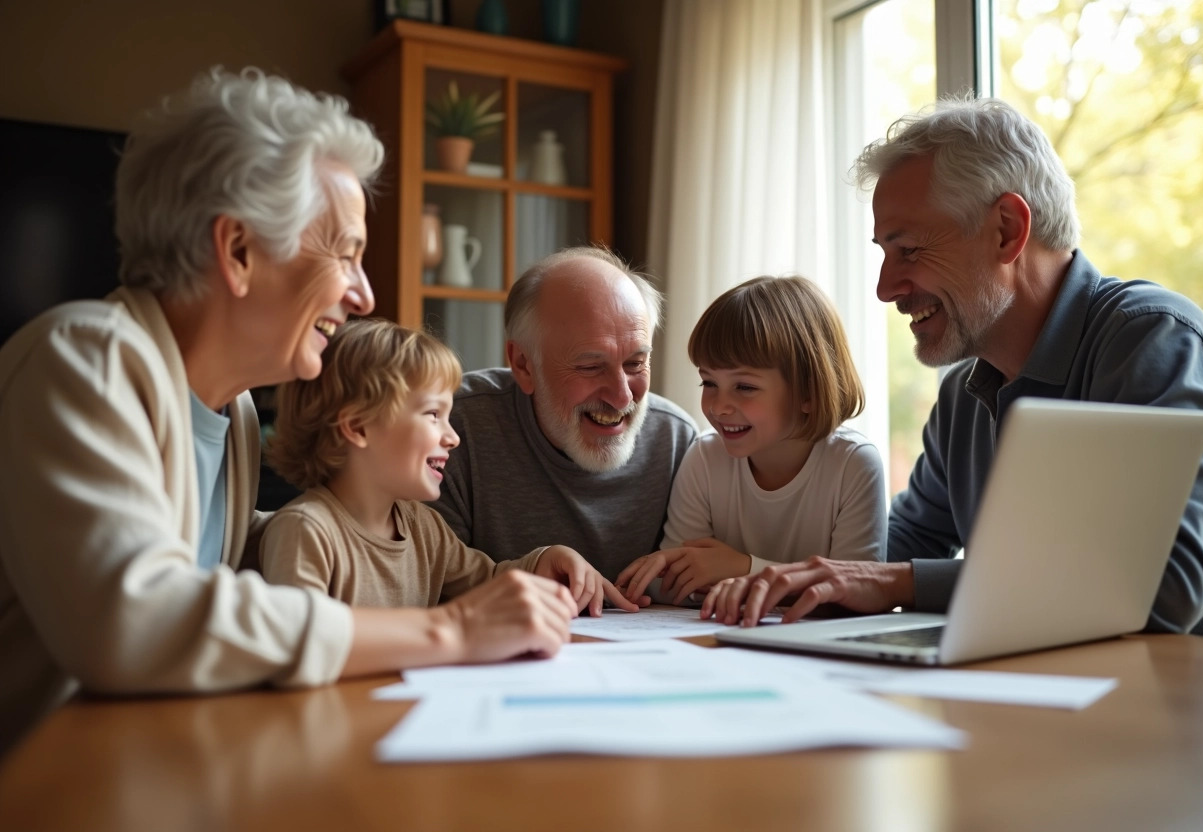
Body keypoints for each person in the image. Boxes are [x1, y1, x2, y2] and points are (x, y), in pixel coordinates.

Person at [0, 68, 576, 756]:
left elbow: (213, 552)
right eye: (346, 253)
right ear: (239, 251)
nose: (363, 295)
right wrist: (452, 630)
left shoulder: (235, 411)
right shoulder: (85, 359)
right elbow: (138, 618)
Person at [703, 96, 1203, 633]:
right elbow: (893, 552)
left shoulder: (1151, 340)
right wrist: (767, 577)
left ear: (1007, 230)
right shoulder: (965, 395)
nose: (884, 289)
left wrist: (904, 583)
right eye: (882, 253)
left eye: (909, 250)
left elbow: (1167, 592)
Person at [260, 317, 632, 615]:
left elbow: (487, 581)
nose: (452, 437)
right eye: (433, 415)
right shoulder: (305, 532)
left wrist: (543, 562)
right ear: (357, 427)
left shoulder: (422, 526)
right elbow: (299, 645)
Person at [431, 246, 701, 585]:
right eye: (590, 367)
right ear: (524, 365)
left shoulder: (676, 442)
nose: (621, 397)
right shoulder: (452, 429)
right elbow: (431, 584)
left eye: (635, 364)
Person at [615, 275, 886, 606]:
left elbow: (858, 594)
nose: (718, 407)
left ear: (808, 392)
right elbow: (673, 584)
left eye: (744, 387)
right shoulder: (704, 458)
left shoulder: (853, 465)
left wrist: (743, 568)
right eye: (708, 383)